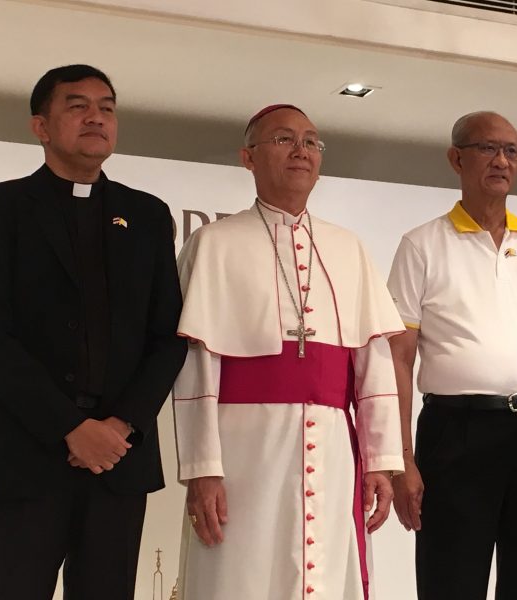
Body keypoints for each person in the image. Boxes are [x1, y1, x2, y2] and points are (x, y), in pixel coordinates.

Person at [173, 104, 404, 600]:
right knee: (237, 575)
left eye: (311, 141)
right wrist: (202, 469)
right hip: (241, 450)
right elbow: (196, 367)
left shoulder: (349, 248)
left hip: (333, 449)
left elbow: (373, 366)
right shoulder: (212, 243)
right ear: (248, 157)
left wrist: (381, 461)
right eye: (283, 139)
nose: (301, 150)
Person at [0, 64, 187, 600]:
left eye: (107, 107)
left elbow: (168, 336)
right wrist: (70, 427)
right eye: (77, 105)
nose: (96, 117)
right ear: (40, 127)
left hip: (119, 458)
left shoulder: (147, 215)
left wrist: (120, 426)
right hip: (23, 457)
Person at [387, 110, 517, 600]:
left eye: (512, 151)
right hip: (456, 432)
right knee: (451, 580)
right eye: (487, 148)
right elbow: (398, 359)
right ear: (456, 158)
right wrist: (401, 459)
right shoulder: (421, 245)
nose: (501, 160)